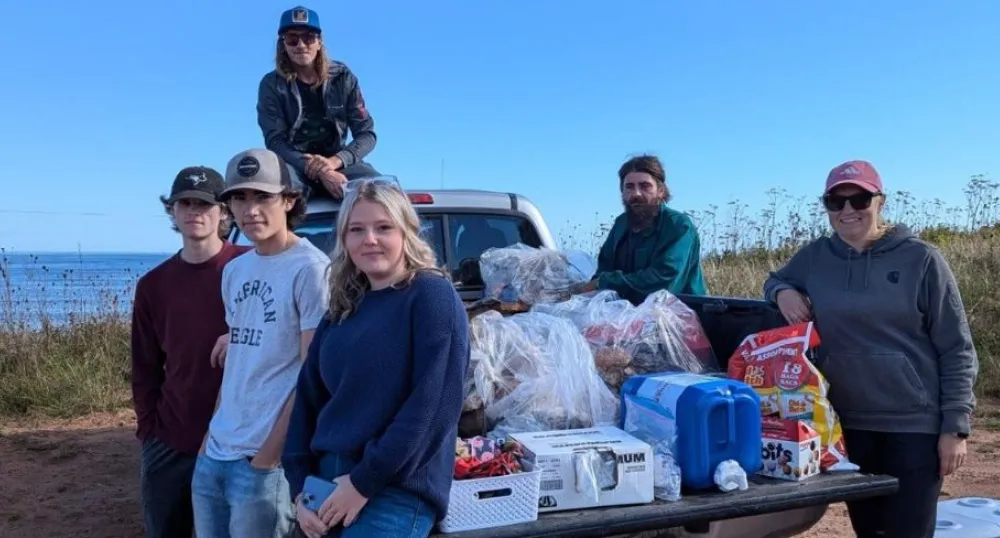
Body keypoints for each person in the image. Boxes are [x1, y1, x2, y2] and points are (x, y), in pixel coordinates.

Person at [762, 159, 979, 538]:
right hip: (848, 426)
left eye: (859, 199)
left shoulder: (922, 259)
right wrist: (783, 292)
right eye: (836, 201)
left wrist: (955, 429)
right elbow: (775, 279)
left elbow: (956, 348)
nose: (848, 211)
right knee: (870, 531)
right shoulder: (815, 257)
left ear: (880, 201)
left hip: (913, 427)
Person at [282, 178, 470, 538]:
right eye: (357, 230)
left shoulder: (430, 296)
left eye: (383, 227)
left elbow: (432, 408)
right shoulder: (343, 308)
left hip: (392, 488)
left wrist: (363, 483)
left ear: (405, 232)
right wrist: (298, 488)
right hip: (324, 483)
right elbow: (307, 399)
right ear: (344, 240)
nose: (369, 239)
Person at [191, 148, 331, 538]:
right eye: (239, 198)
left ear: (288, 200)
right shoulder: (234, 270)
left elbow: (310, 373)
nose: (250, 209)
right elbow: (240, 361)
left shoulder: (311, 270)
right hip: (215, 452)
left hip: (263, 461)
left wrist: (268, 457)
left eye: (262, 197)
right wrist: (207, 441)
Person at [131, 166, 250, 538]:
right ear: (172, 211)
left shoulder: (251, 267)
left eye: (204, 203)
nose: (194, 212)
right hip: (172, 437)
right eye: (185, 203)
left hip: (240, 439)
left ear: (223, 213)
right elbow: (144, 366)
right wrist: (149, 431)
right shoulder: (153, 285)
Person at [257, 5, 379, 201]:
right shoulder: (271, 85)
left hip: (339, 161)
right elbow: (275, 141)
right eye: (292, 39)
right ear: (283, 45)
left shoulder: (343, 78)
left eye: (308, 38)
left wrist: (334, 162)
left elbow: (366, 134)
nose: (301, 45)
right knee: (277, 198)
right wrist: (320, 171)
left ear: (319, 42)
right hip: (294, 164)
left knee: (379, 194)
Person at [572, 154, 708, 303]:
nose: (636, 194)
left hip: (678, 315)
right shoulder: (621, 224)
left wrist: (605, 282)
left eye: (645, 186)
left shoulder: (678, 226)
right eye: (629, 187)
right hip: (625, 314)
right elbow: (604, 269)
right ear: (622, 192)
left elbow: (663, 281)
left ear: (661, 191)